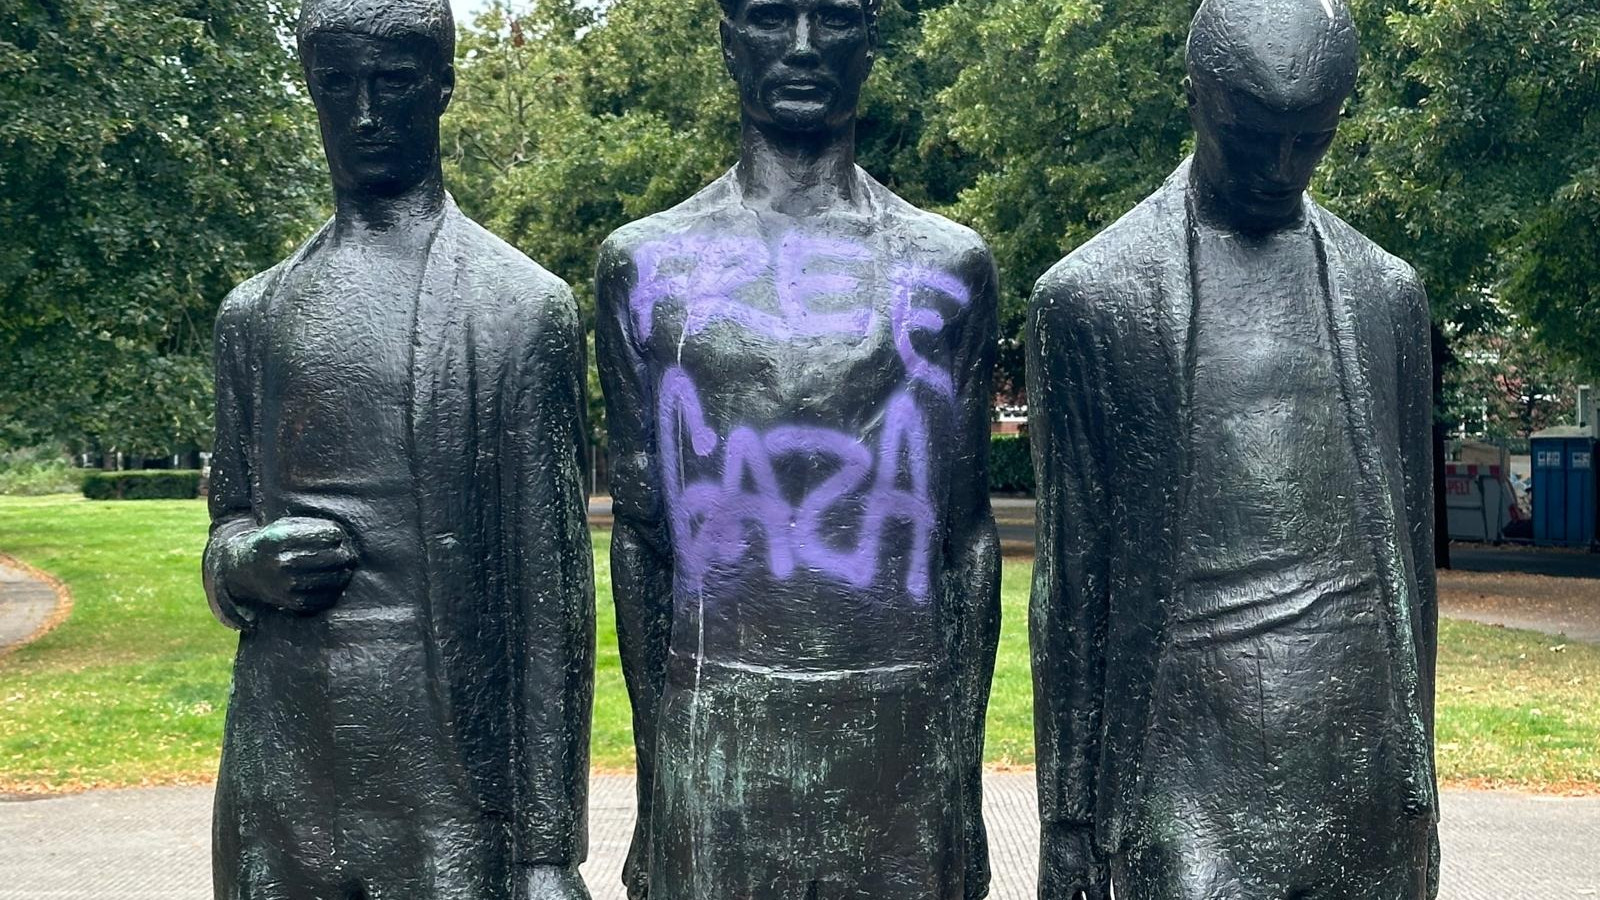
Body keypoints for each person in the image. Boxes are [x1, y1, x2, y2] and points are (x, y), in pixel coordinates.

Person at [1028, 0, 1439, 897]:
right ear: (1197, 96)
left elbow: (1413, 560)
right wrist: (1065, 820)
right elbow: (1070, 586)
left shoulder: (1385, 294)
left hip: (1358, 751)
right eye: (1252, 132)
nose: (1280, 166)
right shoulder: (1090, 299)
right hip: (1182, 759)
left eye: (1311, 137)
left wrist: (1420, 782)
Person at [595, 1, 1001, 897]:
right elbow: (643, 541)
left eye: (836, 18)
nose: (806, 47)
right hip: (718, 734)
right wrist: (661, 788)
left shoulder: (948, 267)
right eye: (775, 16)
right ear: (730, 40)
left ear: (872, 41)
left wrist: (958, 781)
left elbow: (968, 539)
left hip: (899, 742)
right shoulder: (643, 266)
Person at [203, 2, 593, 897]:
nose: (366, 114)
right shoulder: (255, 315)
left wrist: (546, 849)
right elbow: (228, 517)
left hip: (451, 777)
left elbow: (552, 602)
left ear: (444, 86)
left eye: (395, 82)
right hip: (285, 763)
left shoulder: (520, 308)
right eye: (338, 84)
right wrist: (238, 565)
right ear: (312, 90)